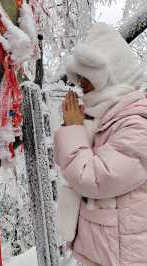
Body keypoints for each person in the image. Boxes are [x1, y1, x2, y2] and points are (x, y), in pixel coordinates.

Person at [53, 22, 147, 266]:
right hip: (107, 250)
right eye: (80, 79)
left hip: (125, 256)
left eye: (87, 79)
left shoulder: (136, 124)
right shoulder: (109, 118)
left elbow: (95, 178)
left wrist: (74, 129)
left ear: (111, 77)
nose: (82, 86)